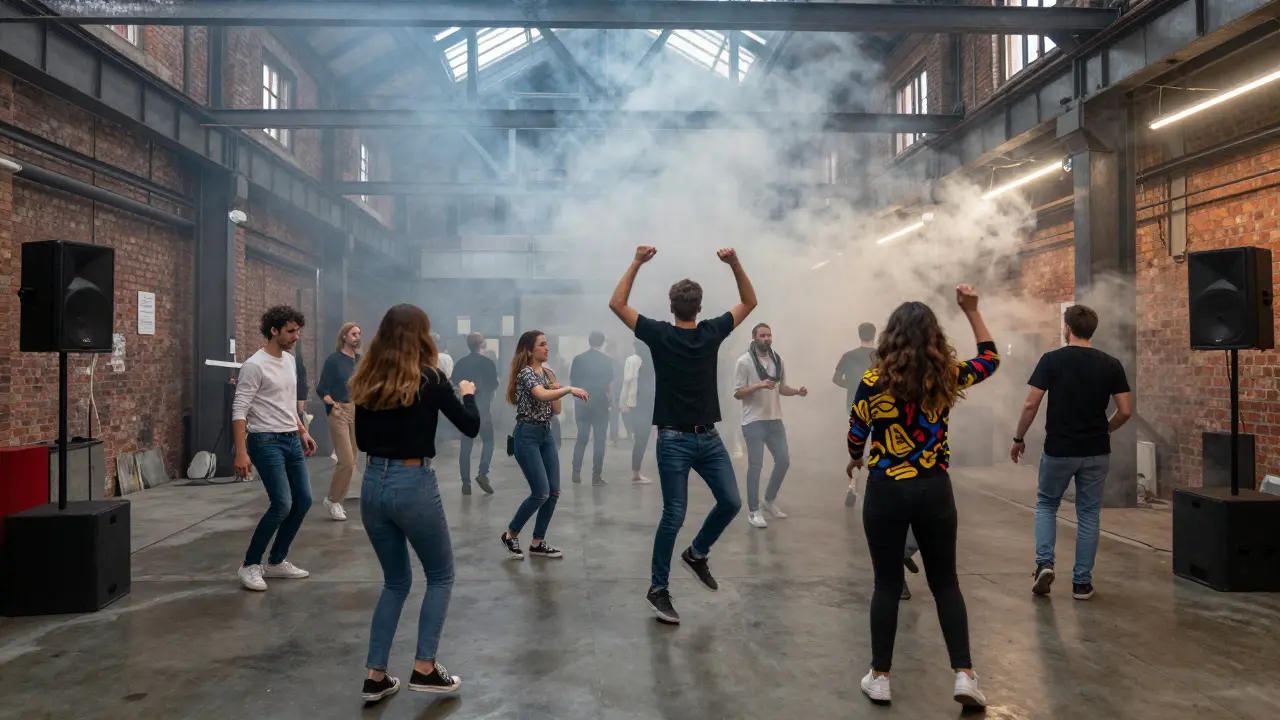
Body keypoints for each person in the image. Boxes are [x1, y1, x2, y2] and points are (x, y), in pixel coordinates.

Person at [847, 285, 997, 709]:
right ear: (934, 337)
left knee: (886, 584)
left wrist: (855, 459)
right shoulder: (946, 375)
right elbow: (990, 359)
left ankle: (880, 677)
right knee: (945, 582)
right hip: (934, 488)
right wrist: (972, 311)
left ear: (889, 337)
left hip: (886, 489)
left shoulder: (873, 382)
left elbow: (856, 434)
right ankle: (964, 674)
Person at [608, 245, 756, 625]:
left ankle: (696, 554)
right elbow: (749, 301)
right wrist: (734, 263)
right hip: (689, 438)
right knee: (721, 504)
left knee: (711, 506)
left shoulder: (660, 333)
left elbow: (617, 303)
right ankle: (658, 589)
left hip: (695, 438)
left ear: (672, 307)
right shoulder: (710, 330)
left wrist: (637, 261)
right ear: (699, 307)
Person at [350, 304, 480, 702]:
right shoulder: (433, 379)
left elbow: (363, 442)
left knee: (395, 582)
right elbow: (470, 427)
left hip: (372, 483)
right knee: (440, 575)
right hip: (413, 483)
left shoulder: (367, 379)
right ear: (423, 336)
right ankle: (425, 667)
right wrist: (468, 395)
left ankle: (376, 676)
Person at [1011, 304, 1132, 601]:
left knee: (1046, 504)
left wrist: (1019, 437)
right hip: (1096, 451)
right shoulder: (1111, 363)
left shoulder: (1052, 360)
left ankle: (1045, 563)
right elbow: (1125, 411)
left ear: (1067, 328)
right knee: (1089, 513)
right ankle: (1082, 583)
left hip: (1059, 449)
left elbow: (1030, 404)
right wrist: (1105, 429)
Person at [232, 306, 318, 592]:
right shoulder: (254, 365)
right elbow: (239, 409)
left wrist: (303, 430)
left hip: (291, 438)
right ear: (274, 330)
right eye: (291, 331)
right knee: (282, 504)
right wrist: (241, 452)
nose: (296, 336)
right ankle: (249, 565)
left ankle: (277, 560)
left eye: (297, 331)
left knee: (303, 500)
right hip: (265, 441)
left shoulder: (290, 361)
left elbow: (287, 403)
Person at [500, 330, 589, 560]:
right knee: (540, 492)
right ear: (530, 350)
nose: (547, 348)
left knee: (554, 491)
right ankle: (510, 535)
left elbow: (556, 410)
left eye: (547, 344)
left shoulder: (548, 373)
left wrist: (556, 388)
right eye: (542, 344)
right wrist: (568, 389)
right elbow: (540, 396)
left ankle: (537, 542)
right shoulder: (525, 374)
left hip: (545, 434)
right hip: (527, 435)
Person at [733, 323, 807, 528]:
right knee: (755, 466)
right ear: (754, 337)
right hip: (753, 421)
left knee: (783, 461)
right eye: (763, 335)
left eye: (769, 335)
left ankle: (768, 500)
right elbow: (738, 393)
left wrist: (797, 391)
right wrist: (758, 385)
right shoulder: (744, 361)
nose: (767, 338)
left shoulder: (777, 360)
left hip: (775, 420)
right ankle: (753, 511)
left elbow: (781, 388)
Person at [316, 322, 362, 521]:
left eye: (359, 334)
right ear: (344, 336)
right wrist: (331, 404)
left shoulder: (360, 361)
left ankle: (338, 501)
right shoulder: (334, 360)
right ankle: (333, 500)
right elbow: (322, 388)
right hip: (339, 411)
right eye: (353, 334)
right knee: (346, 460)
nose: (358, 337)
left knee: (353, 460)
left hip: (356, 410)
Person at [834, 322, 878, 508]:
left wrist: (852, 386)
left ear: (859, 335)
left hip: (853, 405)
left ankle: (852, 484)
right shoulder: (880, 356)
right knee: (877, 445)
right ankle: (877, 488)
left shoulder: (848, 356)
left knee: (857, 443)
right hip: (877, 405)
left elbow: (836, 379)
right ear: (874, 335)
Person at [453, 332, 499, 496]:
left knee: (466, 446)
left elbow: (455, 384)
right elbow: (494, 385)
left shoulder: (461, 363)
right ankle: (482, 473)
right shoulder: (488, 363)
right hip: (484, 410)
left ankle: (466, 483)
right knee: (488, 441)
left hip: (466, 409)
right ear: (482, 344)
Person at [570, 331, 615, 486]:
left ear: (589, 341)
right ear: (602, 343)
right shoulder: (607, 361)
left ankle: (576, 471)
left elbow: (573, 382)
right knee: (600, 440)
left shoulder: (578, 359)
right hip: (600, 402)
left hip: (582, 400)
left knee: (582, 437)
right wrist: (611, 400)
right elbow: (610, 384)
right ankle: (596, 476)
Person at [620, 339, 655, 484]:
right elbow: (627, 382)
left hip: (650, 403)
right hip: (639, 404)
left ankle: (637, 471)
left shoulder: (652, 359)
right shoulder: (633, 360)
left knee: (646, 438)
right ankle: (636, 472)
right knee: (641, 438)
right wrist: (623, 404)